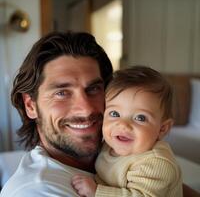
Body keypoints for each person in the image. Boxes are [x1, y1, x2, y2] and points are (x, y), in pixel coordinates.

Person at [0, 31, 113, 197]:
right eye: (62, 93)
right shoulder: (36, 191)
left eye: (94, 88)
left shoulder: (119, 160)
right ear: (31, 106)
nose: (86, 109)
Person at [71, 66, 183, 197]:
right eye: (114, 113)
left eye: (140, 117)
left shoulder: (156, 163)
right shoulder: (109, 144)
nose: (123, 124)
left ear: (162, 129)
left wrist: (96, 192)